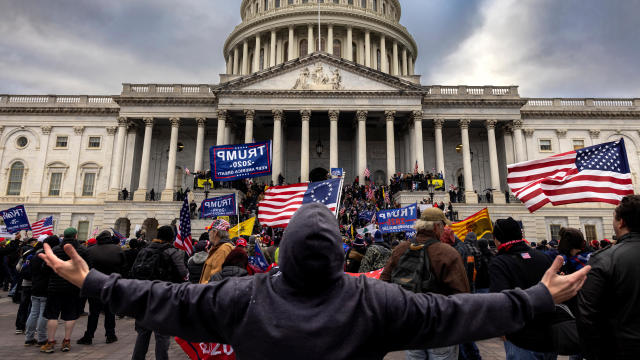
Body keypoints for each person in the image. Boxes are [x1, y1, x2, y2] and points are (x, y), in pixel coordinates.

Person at [39, 203, 590, 360]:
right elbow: (460, 314)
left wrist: (94, 283)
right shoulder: (376, 301)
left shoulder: (240, 298)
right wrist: (538, 297)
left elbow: (163, 298)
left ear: (284, 252)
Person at [381, 207, 469, 360]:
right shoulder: (447, 253)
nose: (445, 229)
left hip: (411, 325)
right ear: (437, 227)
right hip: (439, 327)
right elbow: (462, 294)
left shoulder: (401, 249)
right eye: (443, 225)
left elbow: (384, 283)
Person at [578, 195, 640, 359]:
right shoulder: (605, 258)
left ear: (621, 222)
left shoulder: (603, 259)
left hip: (621, 349)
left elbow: (587, 314)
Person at [489, 218, 557, 359]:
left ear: (497, 239)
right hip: (549, 333)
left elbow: (501, 301)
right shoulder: (542, 257)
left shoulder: (500, 262)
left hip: (521, 337)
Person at [129, 225, 188, 360]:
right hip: (163, 295)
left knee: (143, 333)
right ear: (171, 237)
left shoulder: (144, 250)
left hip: (144, 295)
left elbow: (133, 272)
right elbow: (183, 273)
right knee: (162, 335)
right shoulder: (172, 251)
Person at [40, 228, 88, 353]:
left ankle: (50, 342)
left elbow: (46, 268)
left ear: (64, 236)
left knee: (52, 315)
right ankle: (66, 341)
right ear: (76, 236)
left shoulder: (55, 250)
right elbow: (88, 268)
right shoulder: (82, 250)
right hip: (74, 287)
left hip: (55, 286)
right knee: (70, 315)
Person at [77, 230, 126, 345]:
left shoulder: (90, 250)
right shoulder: (118, 249)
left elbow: (85, 268)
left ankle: (88, 336)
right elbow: (124, 267)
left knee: (93, 312)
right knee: (110, 312)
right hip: (111, 283)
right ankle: (110, 335)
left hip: (94, 284)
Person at [25, 235, 59, 346]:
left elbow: (30, 272)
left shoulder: (36, 255)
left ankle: (29, 337)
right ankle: (42, 338)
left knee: (33, 313)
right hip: (45, 288)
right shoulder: (49, 257)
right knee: (43, 314)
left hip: (35, 287)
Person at [199, 219, 234, 284]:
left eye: (209, 230)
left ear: (215, 232)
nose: (208, 233)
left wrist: (201, 289)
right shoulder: (219, 248)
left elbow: (216, 280)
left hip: (209, 291)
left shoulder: (223, 249)